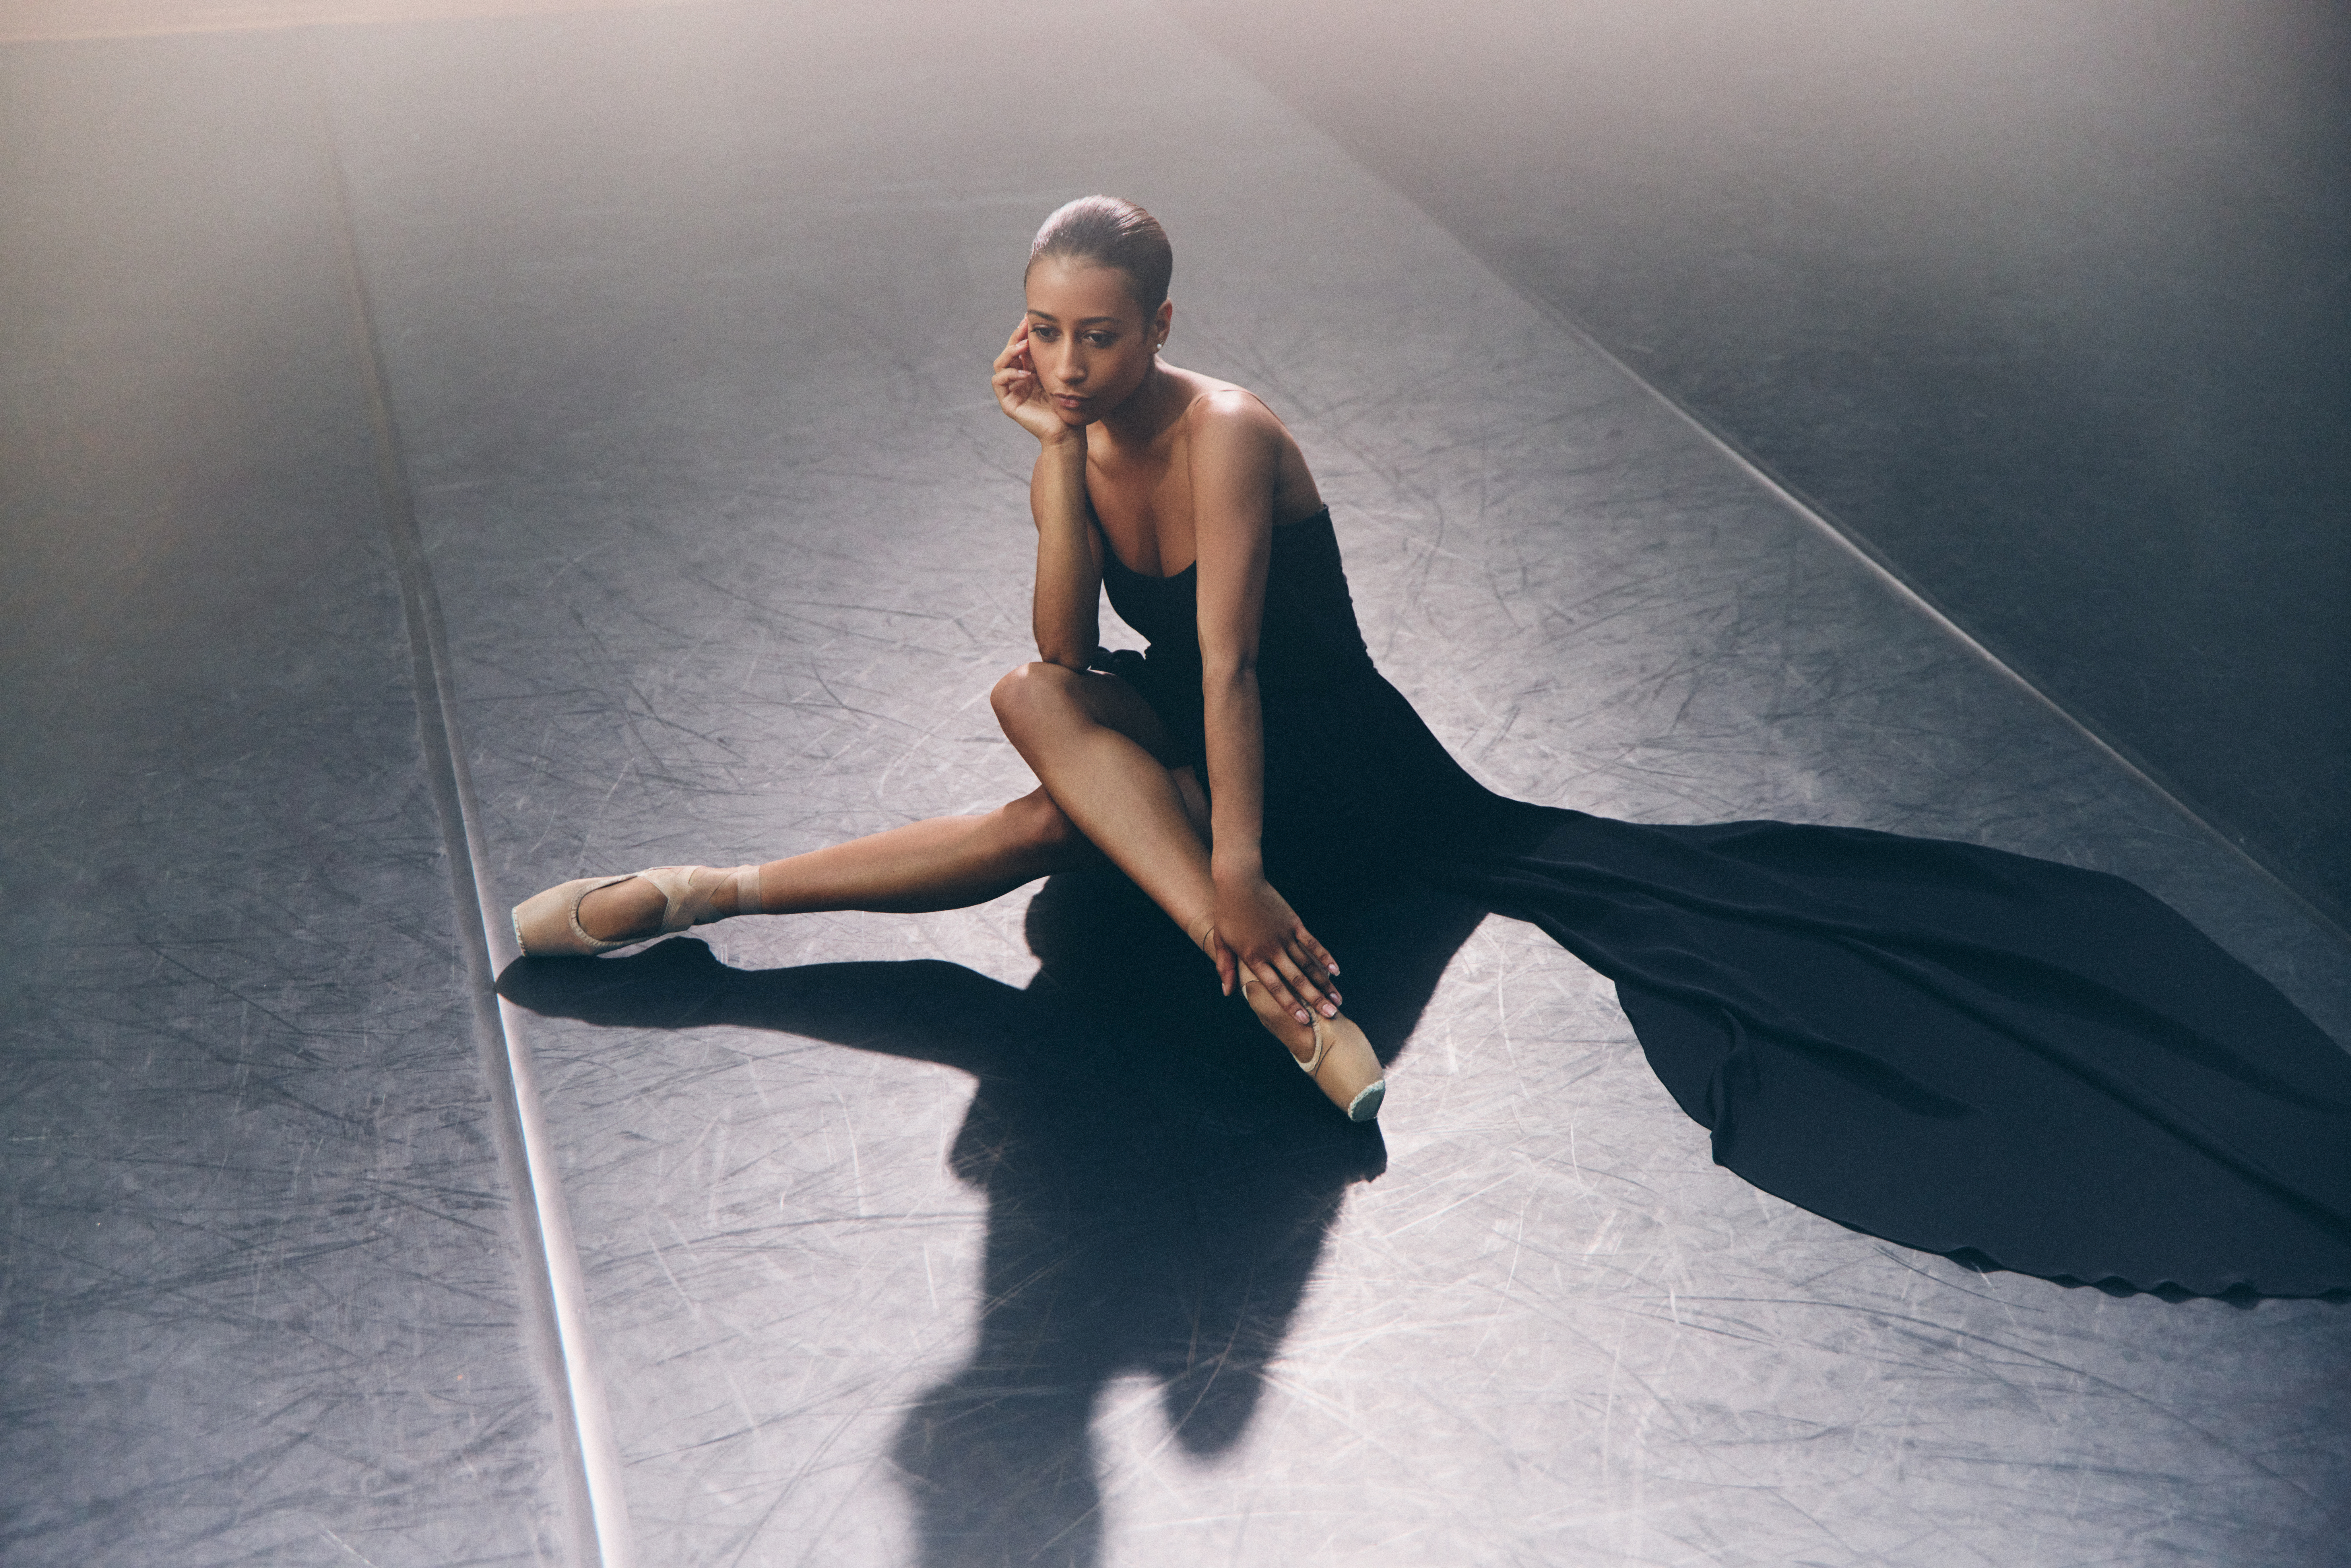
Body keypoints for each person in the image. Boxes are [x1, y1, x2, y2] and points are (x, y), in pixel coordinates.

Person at [513, 196, 2351, 1296]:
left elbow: (1227, 668)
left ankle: (1206, 965)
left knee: (1046, 784)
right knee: (1035, 721)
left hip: (1343, 777)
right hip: (1199, 787)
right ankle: (710, 893)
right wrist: (1052, 465)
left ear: (1166, 323)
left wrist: (1235, 877)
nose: (1068, 361)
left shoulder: (1228, 435)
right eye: (1044, 337)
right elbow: (1063, 648)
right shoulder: (1075, 432)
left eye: (1099, 339)